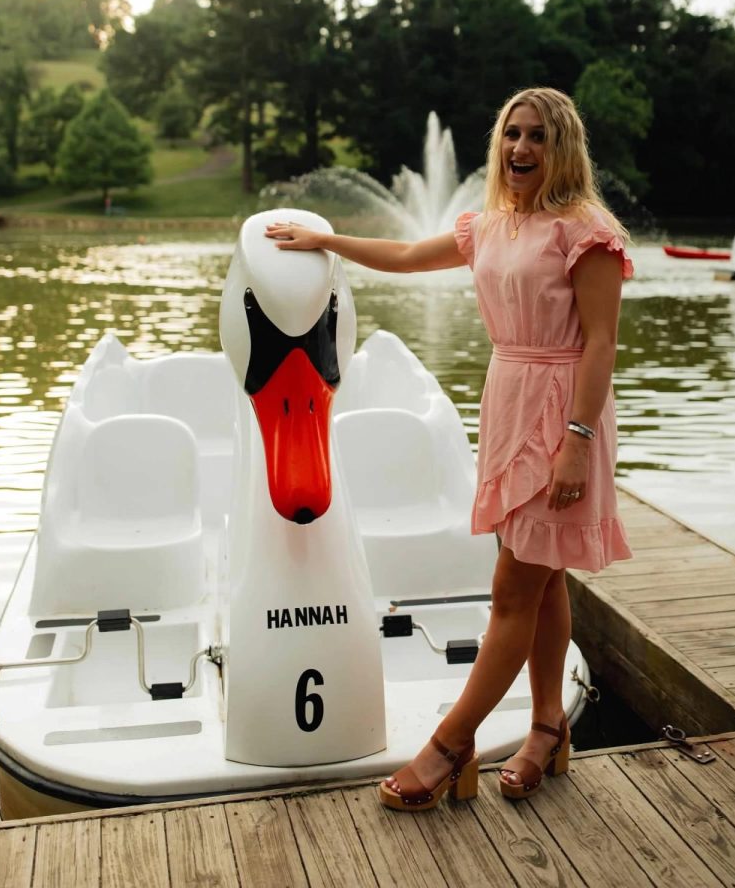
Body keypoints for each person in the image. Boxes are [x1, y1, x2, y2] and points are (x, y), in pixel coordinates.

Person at [265, 86, 633, 811]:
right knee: (544, 577)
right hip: (508, 401)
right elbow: (405, 253)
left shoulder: (586, 231)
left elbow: (600, 345)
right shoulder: (491, 226)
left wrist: (577, 442)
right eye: (511, 135)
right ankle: (548, 726)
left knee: (510, 590)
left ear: (564, 149)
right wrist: (328, 242)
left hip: (563, 413)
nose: (521, 149)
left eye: (538, 137)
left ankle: (450, 743)